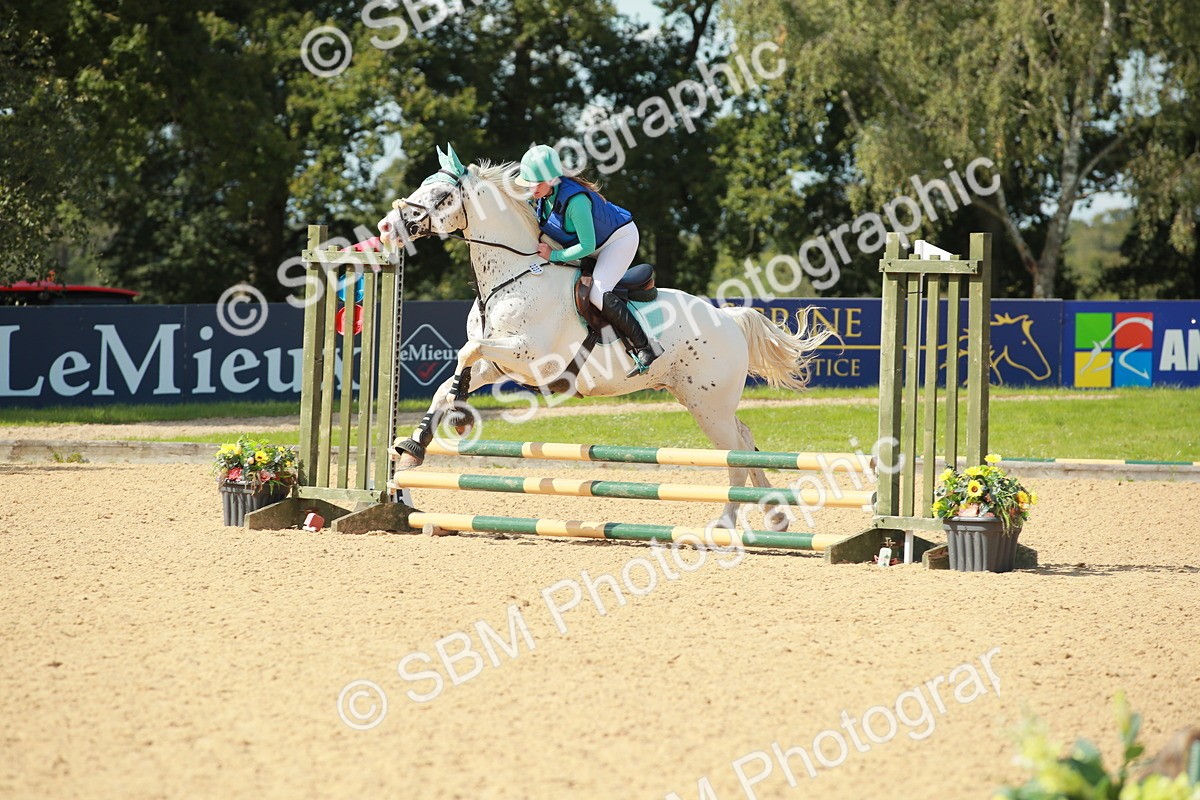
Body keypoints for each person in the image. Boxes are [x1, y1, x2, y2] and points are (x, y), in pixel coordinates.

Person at [514, 144, 659, 376]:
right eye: (529, 182)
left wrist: (554, 256)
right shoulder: (544, 195)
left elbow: (587, 246)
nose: (531, 188)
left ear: (551, 179)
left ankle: (645, 348)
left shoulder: (576, 201)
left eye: (536, 183)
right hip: (594, 245)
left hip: (617, 240)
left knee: (598, 293)